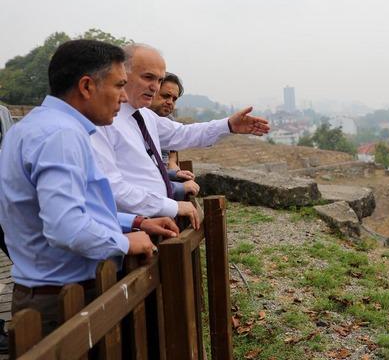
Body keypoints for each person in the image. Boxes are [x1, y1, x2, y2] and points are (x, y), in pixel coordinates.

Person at [0, 40, 179, 336]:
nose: (124, 96)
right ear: (86, 86)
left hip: (45, 290)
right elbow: (66, 225)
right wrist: (124, 243)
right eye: (119, 85)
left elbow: (73, 208)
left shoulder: (30, 127)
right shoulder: (61, 136)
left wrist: (136, 222)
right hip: (65, 298)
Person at [92, 44, 269, 229]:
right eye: (148, 77)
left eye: (159, 80)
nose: (154, 87)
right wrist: (171, 206)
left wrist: (228, 125)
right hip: (133, 227)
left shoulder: (144, 115)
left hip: (156, 219)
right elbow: (111, 187)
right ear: (122, 74)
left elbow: (182, 134)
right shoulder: (102, 120)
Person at [148, 72, 193, 199]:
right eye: (165, 96)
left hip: (164, 175)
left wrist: (175, 171)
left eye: (174, 99)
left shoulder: (170, 121)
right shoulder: (137, 120)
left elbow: (172, 158)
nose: (170, 102)